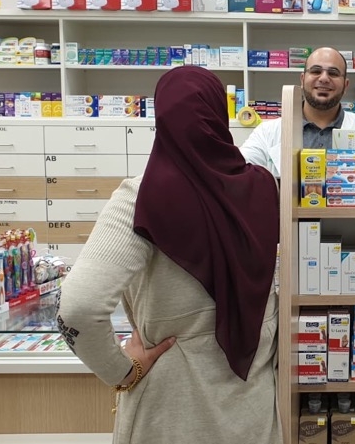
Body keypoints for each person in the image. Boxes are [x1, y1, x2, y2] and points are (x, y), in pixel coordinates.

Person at [56, 66, 281, 443]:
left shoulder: (142, 197)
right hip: (252, 409)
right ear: (220, 116)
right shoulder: (264, 187)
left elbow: (76, 309)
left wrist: (122, 371)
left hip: (172, 411)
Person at [240, 46, 355, 178]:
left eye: (333, 73)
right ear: (302, 79)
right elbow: (239, 173)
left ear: (346, 85)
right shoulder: (267, 132)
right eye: (315, 71)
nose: (324, 78)